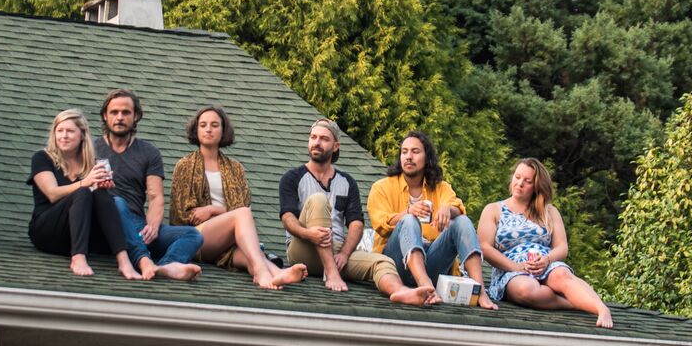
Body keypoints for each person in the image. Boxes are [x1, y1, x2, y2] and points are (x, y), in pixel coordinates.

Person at [279, 118, 436, 305]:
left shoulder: (347, 182)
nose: (317, 143)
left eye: (323, 139)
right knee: (318, 199)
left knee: (383, 262)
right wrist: (308, 234)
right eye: (313, 137)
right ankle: (330, 271)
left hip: (336, 251)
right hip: (302, 248)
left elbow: (356, 223)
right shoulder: (292, 177)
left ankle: (401, 292)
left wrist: (344, 254)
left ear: (336, 146)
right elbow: (288, 218)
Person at [170, 105, 306, 290]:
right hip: (195, 237)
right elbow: (184, 215)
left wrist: (213, 209)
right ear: (196, 129)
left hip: (229, 241)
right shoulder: (184, 166)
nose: (208, 129)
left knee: (252, 256)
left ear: (223, 130)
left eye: (214, 125)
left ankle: (276, 274)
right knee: (242, 218)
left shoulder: (235, 168)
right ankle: (262, 272)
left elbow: (244, 209)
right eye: (203, 125)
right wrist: (228, 216)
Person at [367, 131, 496, 309]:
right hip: (396, 267)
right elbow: (380, 223)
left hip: (432, 262)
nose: (408, 157)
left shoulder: (440, 188)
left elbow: (457, 207)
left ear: (427, 157)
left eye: (415, 151)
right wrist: (408, 212)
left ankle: (480, 290)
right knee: (409, 220)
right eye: (404, 152)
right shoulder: (381, 187)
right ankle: (425, 285)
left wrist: (447, 209)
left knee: (462, 221)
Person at [478, 158, 613, 328]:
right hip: (510, 269)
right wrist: (515, 266)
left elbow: (562, 247)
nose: (519, 183)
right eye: (517, 177)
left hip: (545, 262)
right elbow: (485, 247)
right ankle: (575, 302)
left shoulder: (549, 211)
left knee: (561, 275)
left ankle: (601, 309)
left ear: (536, 186)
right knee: (526, 289)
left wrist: (547, 260)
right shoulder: (494, 209)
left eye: (527, 181)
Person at [94, 89, 202, 281]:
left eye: (126, 112)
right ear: (105, 115)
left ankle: (164, 267)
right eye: (114, 112)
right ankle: (143, 260)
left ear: (135, 116)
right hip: (103, 225)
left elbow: (156, 196)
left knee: (193, 235)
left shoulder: (148, 152)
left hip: (136, 224)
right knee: (116, 202)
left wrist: (152, 226)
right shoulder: (90, 148)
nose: (120, 117)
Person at [27, 109, 140, 279]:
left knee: (101, 195)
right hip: (48, 231)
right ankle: (78, 257)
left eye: (70, 131)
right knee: (83, 192)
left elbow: (98, 202)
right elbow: (52, 194)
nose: (64, 136)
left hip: (82, 233)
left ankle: (123, 260)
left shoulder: (92, 164)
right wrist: (85, 183)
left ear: (82, 135)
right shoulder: (42, 158)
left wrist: (102, 187)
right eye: (60, 130)